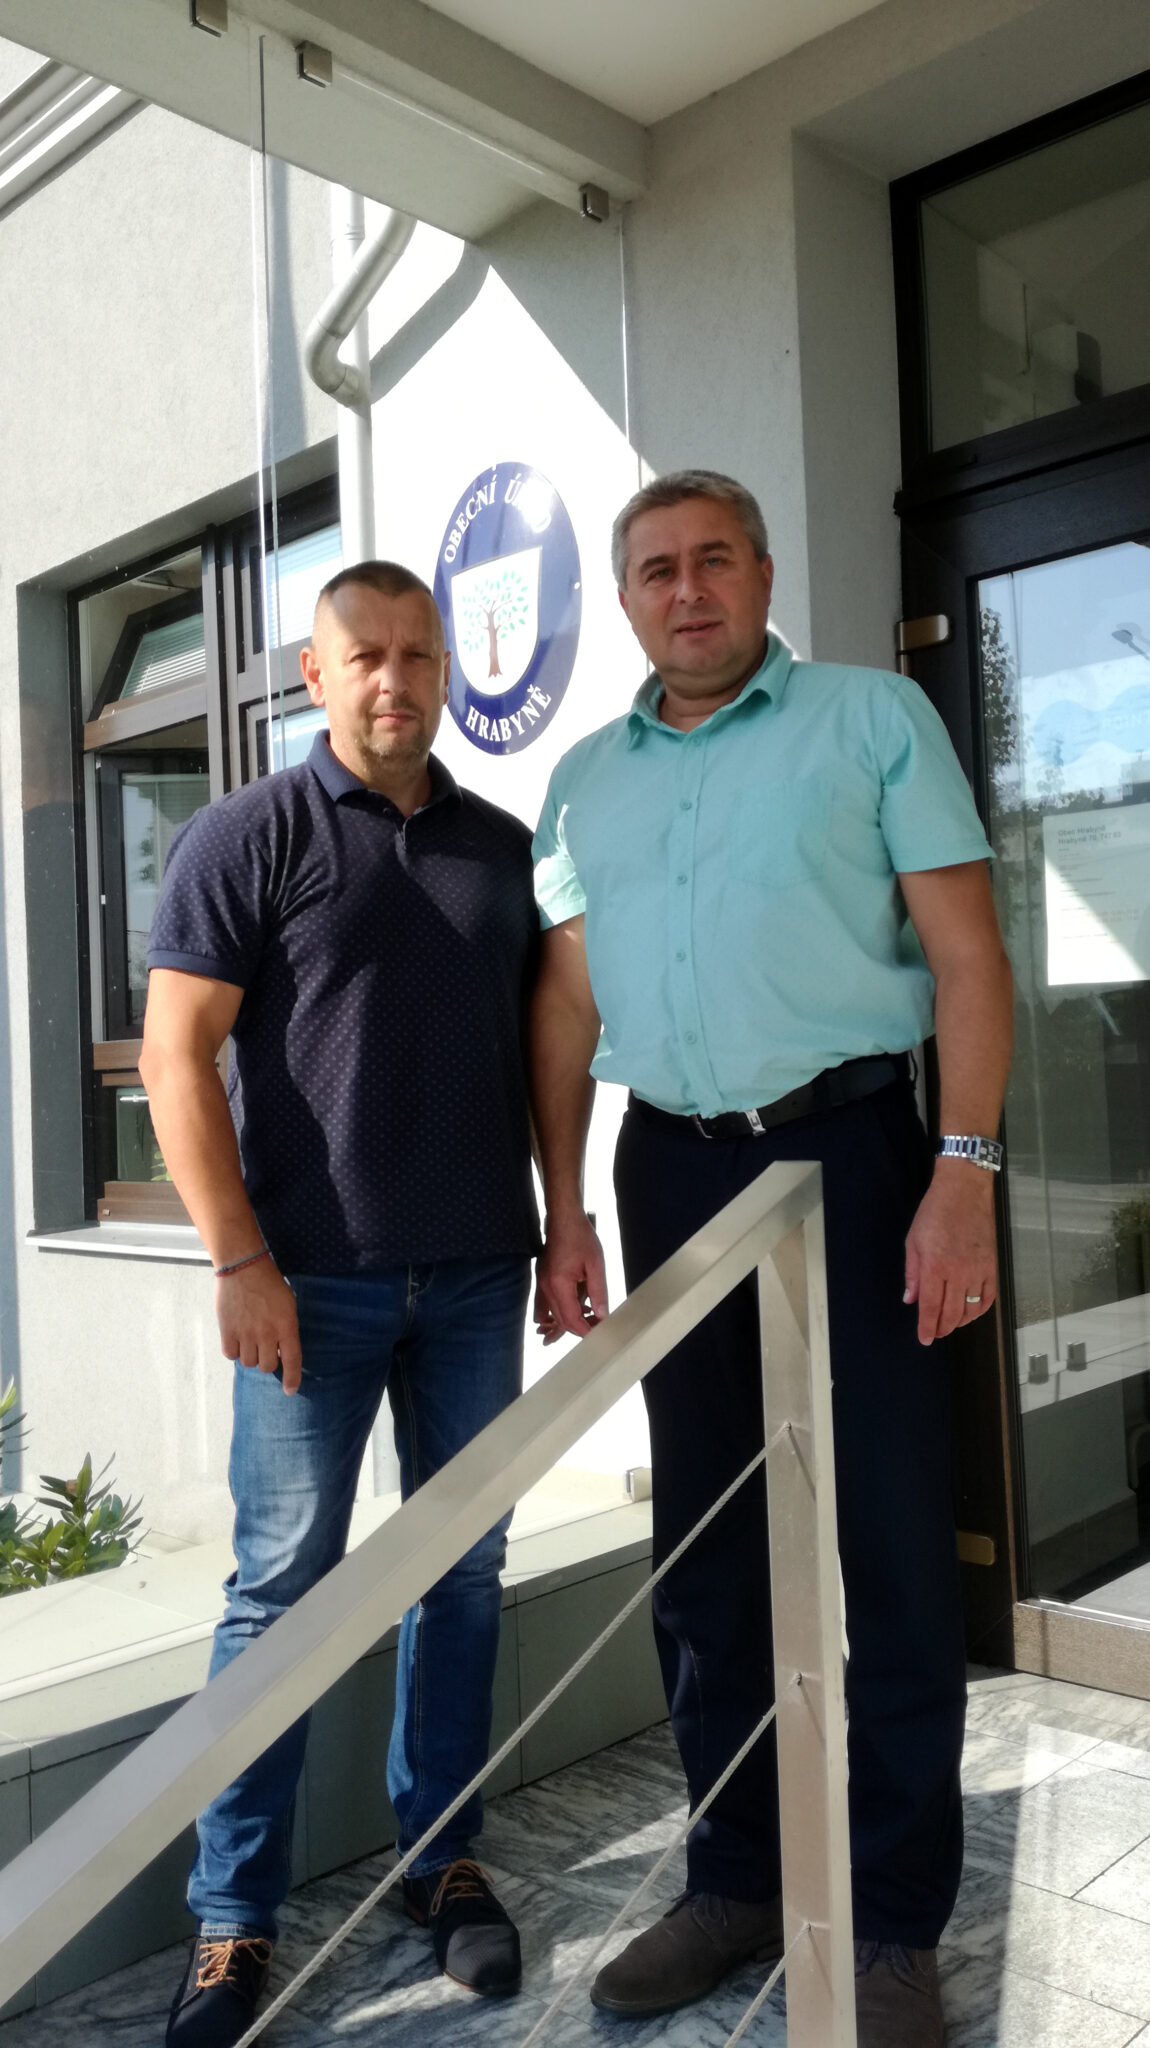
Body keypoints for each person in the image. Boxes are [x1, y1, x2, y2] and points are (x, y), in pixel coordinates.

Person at [529, 471, 1012, 2048]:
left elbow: (966, 961)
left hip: (853, 1155)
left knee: (889, 1546)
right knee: (706, 1548)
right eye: (656, 569)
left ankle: (892, 1924)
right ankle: (736, 1878)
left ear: (761, 573)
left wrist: (961, 1171)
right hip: (665, 1167)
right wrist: (564, 1207)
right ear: (626, 599)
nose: (688, 590)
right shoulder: (583, 783)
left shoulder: (870, 720)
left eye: (714, 560)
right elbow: (566, 1007)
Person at [141, 561, 538, 2048]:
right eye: (364, 656)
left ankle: (441, 1860)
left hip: (479, 1274)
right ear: (314, 676)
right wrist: (238, 1260)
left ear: (446, 670)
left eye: (418, 655)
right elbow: (175, 1057)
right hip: (307, 1286)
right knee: (278, 1594)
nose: (395, 680)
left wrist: (566, 1219)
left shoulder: (501, 849)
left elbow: (548, 1048)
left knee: (465, 1575)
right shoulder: (246, 835)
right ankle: (232, 1922)